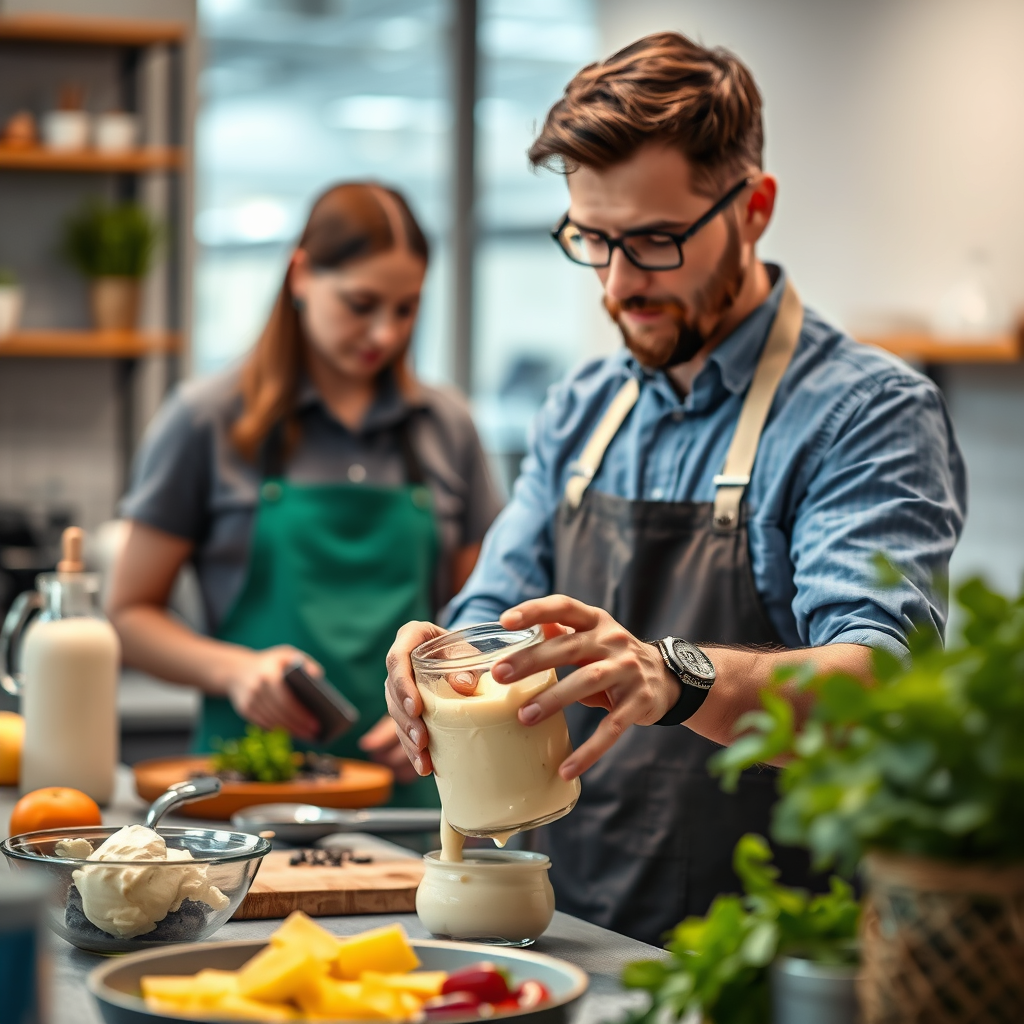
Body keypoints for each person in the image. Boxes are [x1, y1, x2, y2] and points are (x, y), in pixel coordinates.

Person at [384, 32, 967, 939]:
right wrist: (441, 657)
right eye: (592, 240)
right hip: (567, 931)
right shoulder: (581, 408)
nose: (618, 284)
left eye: (655, 242)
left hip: (763, 954)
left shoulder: (868, 412)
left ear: (754, 208)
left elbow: (881, 681)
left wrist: (676, 675)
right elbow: (497, 609)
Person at [107, 182, 503, 807]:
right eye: (361, 303)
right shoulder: (205, 419)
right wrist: (235, 670)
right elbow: (128, 615)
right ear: (301, 275)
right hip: (248, 797)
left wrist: (440, 694)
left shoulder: (445, 426)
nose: (384, 332)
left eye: (406, 310)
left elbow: (480, 617)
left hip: (413, 794)